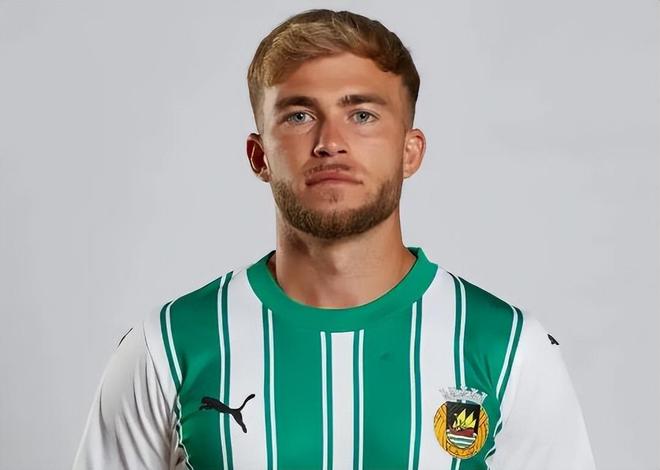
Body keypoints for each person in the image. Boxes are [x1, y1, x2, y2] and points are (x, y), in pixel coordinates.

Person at [73, 9, 596, 470]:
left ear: (410, 151)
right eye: (299, 116)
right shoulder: (167, 346)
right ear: (259, 156)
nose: (330, 143)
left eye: (362, 115)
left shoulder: (509, 348)